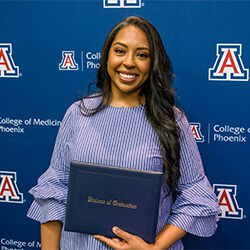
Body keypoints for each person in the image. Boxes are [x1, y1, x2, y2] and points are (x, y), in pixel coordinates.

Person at [27, 16, 221, 250]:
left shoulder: (172, 120)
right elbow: (53, 190)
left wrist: (155, 247)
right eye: (120, 51)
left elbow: (197, 198)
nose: (129, 62)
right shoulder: (78, 113)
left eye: (142, 55)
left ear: (153, 63)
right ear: (107, 56)